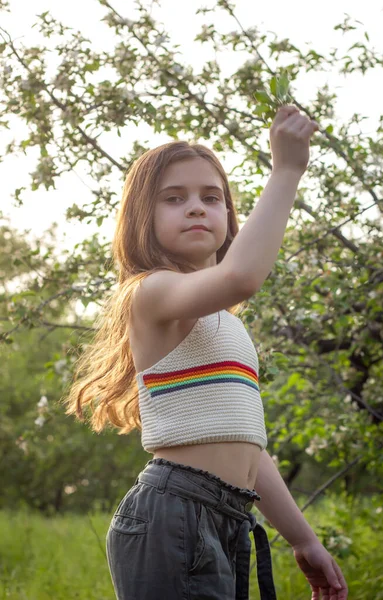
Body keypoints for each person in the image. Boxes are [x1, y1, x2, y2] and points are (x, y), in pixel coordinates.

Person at [63, 105, 348, 599]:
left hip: (227, 517)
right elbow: (241, 276)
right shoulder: (149, 293)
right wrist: (286, 170)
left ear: (229, 217)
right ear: (141, 219)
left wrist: (303, 540)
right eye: (175, 198)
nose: (196, 207)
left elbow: (247, 449)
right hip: (173, 513)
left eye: (211, 197)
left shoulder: (228, 328)